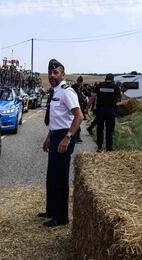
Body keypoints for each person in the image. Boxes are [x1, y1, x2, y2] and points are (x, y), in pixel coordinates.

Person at [39, 59, 83, 227]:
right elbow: (57, 118)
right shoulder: (55, 91)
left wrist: (68, 137)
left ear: (63, 74)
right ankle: (51, 210)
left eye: (56, 72)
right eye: (50, 72)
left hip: (65, 137)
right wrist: (49, 137)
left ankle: (62, 217)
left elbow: (79, 117)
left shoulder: (67, 92)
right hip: (56, 135)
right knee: (52, 176)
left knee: (60, 177)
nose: (52, 75)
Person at [89, 73, 121, 152]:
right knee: (109, 130)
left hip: (100, 111)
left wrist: (87, 107)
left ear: (106, 78)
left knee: (100, 129)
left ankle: (99, 147)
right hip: (111, 111)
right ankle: (109, 149)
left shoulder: (99, 86)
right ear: (112, 79)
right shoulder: (115, 87)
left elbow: (92, 97)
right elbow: (119, 97)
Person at [71, 76, 87, 143]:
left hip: (80, 105)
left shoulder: (81, 87)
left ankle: (76, 135)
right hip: (74, 106)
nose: (80, 83)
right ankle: (76, 136)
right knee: (75, 120)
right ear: (77, 81)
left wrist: (85, 97)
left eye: (81, 82)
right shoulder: (73, 87)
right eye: (79, 81)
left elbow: (83, 94)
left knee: (78, 121)